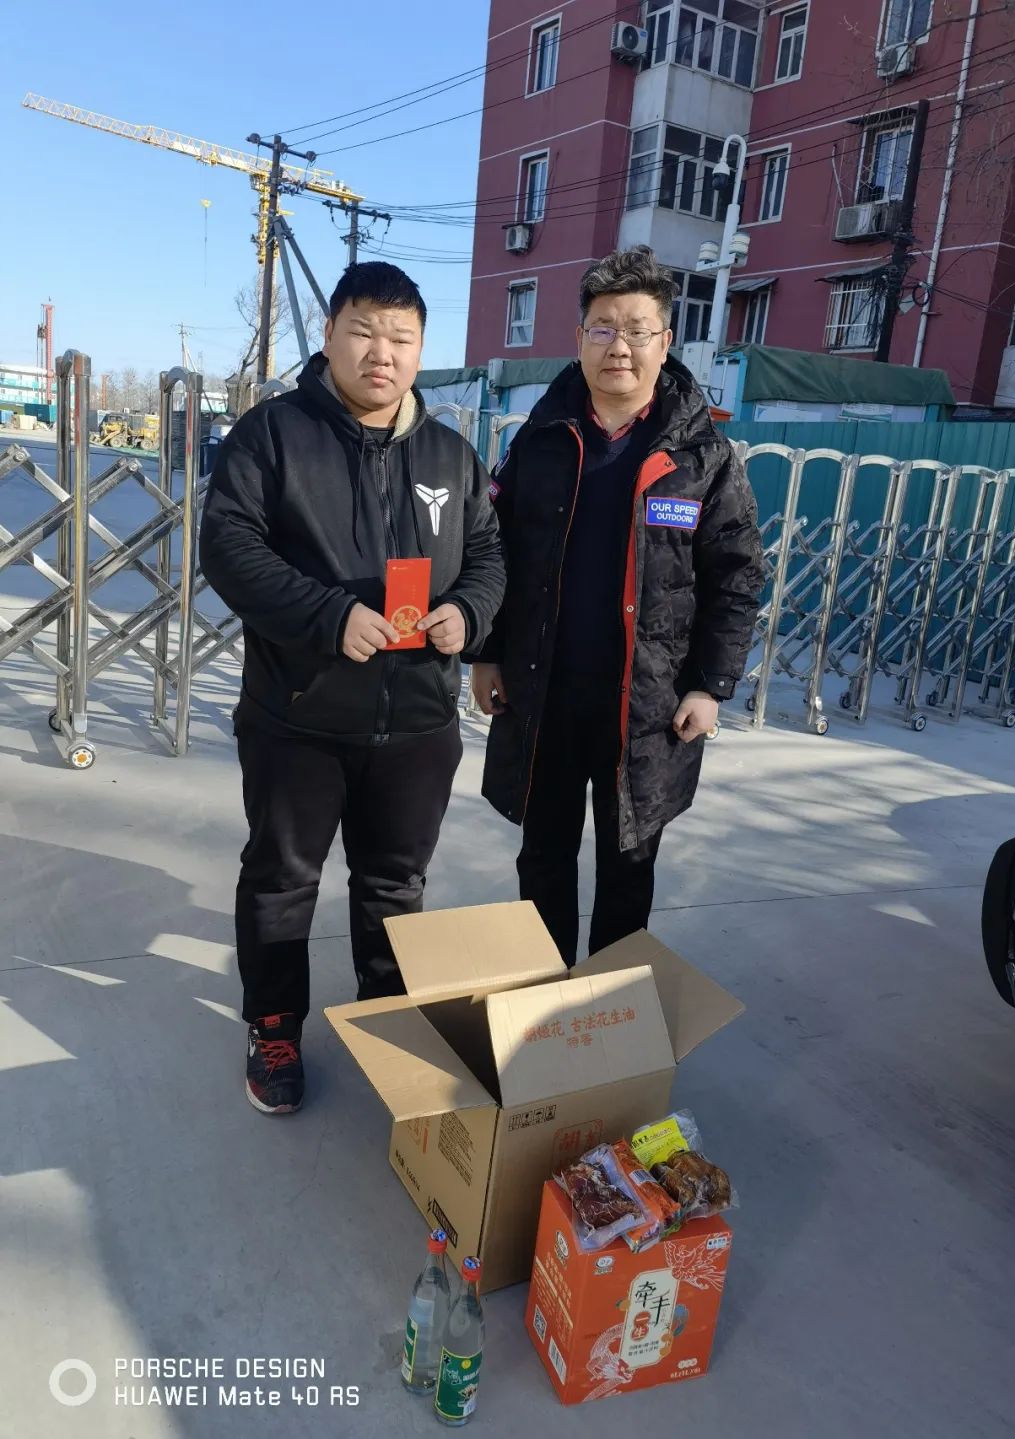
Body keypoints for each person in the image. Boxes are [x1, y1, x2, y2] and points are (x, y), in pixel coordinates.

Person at [200, 262, 504, 1114]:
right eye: (364, 331)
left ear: (420, 349)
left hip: (417, 721)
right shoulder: (273, 435)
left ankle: (388, 1020)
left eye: (401, 337)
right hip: (299, 713)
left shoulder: (449, 452)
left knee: (394, 885)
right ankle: (274, 1027)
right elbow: (229, 547)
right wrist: (328, 615)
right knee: (282, 877)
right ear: (330, 334)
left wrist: (469, 612)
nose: (382, 352)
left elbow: (488, 552)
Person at [469, 245, 763, 966]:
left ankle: (608, 1013)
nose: (619, 347)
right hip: (545, 690)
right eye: (603, 329)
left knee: (629, 865)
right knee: (543, 857)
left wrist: (709, 686)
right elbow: (498, 553)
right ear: (579, 339)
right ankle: (542, 1004)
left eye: (637, 330)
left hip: (649, 704)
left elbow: (736, 576)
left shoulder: (702, 458)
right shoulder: (541, 440)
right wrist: (488, 653)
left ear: (665, 341)